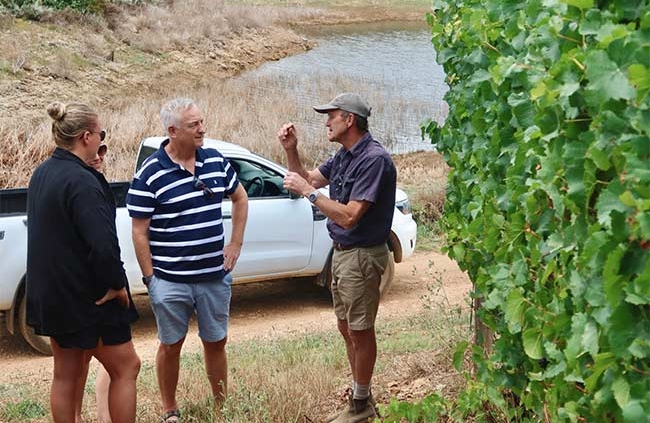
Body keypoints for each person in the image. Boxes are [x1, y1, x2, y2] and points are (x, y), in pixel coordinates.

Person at [126, 98, 248, 422]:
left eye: (201, 122)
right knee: (171, 345)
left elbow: (240, 197)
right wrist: (152, 280)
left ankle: (221, 407)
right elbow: (139, 231)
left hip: (213, 277)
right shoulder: (150, 174)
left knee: (216, 342)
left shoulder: (215, 160)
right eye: (194, 125)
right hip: (170, 280)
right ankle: (170, 411)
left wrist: (235, 243)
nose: (202, 129)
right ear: (172, 130)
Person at [277, 93, 396, 423]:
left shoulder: (374, 159)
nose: (326, 121)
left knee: (361, 329)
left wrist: (309, 193)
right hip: (342, 255)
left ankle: (360, 405)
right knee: (346, 328)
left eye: (332, 116)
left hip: (362, 256)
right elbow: (308, 178)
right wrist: (291, 150)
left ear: (350, 121)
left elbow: (349, 216)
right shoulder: (344, 155)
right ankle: (362, 397)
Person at [26, 102, 141, 423]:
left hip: (54, 294)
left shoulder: (43, 172)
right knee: (126, 367)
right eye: (101, 134)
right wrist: (117, 285)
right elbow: (103, 246)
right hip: (89, 297)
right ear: (87, 136)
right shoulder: (84, 182)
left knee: (66, 373)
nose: (102, 140)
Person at [74, 141, 113, 423]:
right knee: (79, 361)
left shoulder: (99, 184)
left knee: (117, 360)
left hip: (103, 284)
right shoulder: (80, 186)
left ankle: (104, 416)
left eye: (103, 151)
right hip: (83, 287)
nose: (99, 157)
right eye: (95, 151)